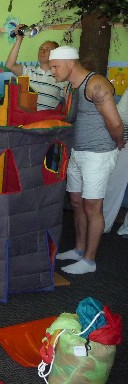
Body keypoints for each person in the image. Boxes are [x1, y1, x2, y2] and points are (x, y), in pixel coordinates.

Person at [50, 46, 125, 274]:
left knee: (92, 206)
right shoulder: (71, 87)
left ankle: (89, 261)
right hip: (78, 152)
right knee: (76, 201)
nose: (53, 71)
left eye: (56, 66)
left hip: (98, 155)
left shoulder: (96, 84)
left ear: (71, 63)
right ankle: (79, 249)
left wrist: (118, 143)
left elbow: (115, 123)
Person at [5, 30, 67, 111]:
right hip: (29, 117)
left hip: (49, 118)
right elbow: (9, 65)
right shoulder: (28, 72)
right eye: (41, 48)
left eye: (47, 49)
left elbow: (65, 106)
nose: (42, 51)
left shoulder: (61, 78)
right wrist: (19, 39)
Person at [102, 90, 128, 234]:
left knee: (113, 186)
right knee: (113, 185)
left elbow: (121, 115)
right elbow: (120, 115)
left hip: (124, 142)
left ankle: (103, 224)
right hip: (124, 141)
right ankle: (102, 224)